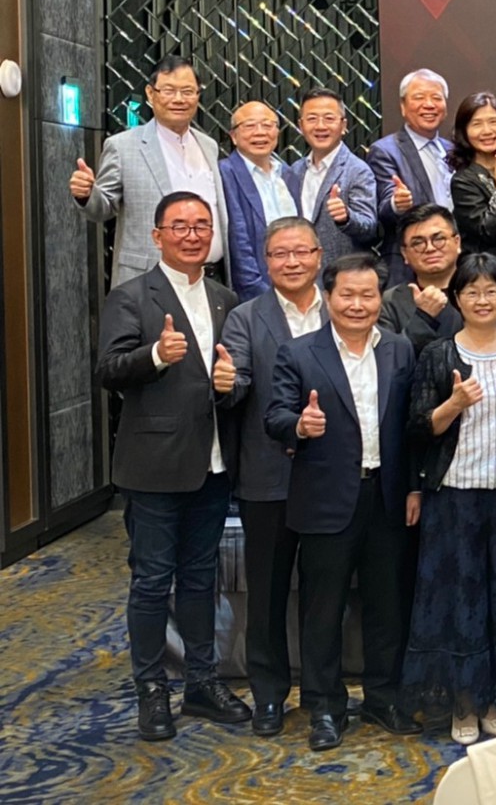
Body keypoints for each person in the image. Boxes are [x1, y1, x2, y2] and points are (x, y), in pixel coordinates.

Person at [95, 191, 249, 740]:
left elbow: (231, 376)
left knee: (202, 578)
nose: (192, 235)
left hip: (213, 463)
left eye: (202, 225)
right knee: (152, 582)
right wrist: (156, 356)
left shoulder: (226, 298)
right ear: (157, 235)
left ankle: (202, 682)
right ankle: (152, 690)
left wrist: (232, 386)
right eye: (179, 226)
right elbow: (109, 369)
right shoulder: (131, 296)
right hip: (154, 465)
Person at [264, 253, 420, 751]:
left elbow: (411, 426)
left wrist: (414, 487)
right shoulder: (298, 353)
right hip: (325, 499)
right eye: (347, 295)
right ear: (328, 297)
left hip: (387, 497)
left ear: (380, 298)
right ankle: (325, 707)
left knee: (387, 606)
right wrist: (299, 426)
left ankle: (382, 697)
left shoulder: (399, 349)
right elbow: (274, 416)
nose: (358, 304)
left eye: (367, 295)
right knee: (323, 611)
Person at [403, 252, 496, 744]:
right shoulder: (438, 354)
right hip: (454, 497)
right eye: (472, 292)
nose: (483, 300)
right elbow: (417, 427)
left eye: (492, 291)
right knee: (458, 602)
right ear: (457, 299)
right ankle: (462, 703)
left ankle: (495, 699)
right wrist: (454, 404)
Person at [216, 216, 326, 736]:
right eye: (280, 254)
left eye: (301, 252)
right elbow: (237, 381)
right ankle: (268, 695)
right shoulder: (245, 317)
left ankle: (322, 696)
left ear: (319, 256)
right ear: (266, 261)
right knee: (266, 594)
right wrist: (225, 382)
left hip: (332, 476)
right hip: (268, 474)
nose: (292, 262)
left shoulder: (341, 307)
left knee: (324, 592)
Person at [73, 56, 228, 287]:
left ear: (197, 95)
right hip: (149, 281)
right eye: (168, 90)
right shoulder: (123, 146)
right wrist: (86, 195)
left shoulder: (209, 146)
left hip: (210, 279)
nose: (178, 99)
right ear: (150, 93)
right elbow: (102, 208)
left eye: (187, 91)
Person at [369, 69, 454, 287]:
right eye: (419, 97)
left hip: (453, 265)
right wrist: (397, 204)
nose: (429, 104)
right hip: (408, 268)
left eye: (436, 98)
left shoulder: (453, 150)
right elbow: (384, 209)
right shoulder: (385, 151)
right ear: (403, 106)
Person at [282, 88, 379, 268]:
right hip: (299, 272)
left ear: (343, 125)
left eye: (329, 118)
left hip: (340, 275)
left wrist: (346, 218)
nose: (320, 126)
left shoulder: (357, 170)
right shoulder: (294, 171)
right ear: (300, 126)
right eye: (312, 119)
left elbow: (369, 228)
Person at [219, 101, 298, 301]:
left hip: (295, 284)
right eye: (250, 126)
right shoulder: (224, 173)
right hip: (255, 292)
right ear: (233, 136)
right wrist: (257, 292)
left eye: (267, 125)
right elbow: (237, 240)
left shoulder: (288, 173)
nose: (260, 132)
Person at [378, 204, 464, 355]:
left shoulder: (483, 290)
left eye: (438, 239)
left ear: (457, 242)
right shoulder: (390, 302)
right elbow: (390, 358)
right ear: (404, 253)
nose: (430, 248)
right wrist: (423, 318)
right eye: (418, 243)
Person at [448, 91, 496, 266]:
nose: (487, 131)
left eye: (493, 122)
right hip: (485, 269)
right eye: (477, 124)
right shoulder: (462, 180)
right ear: (464, 131)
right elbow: (488, 232)